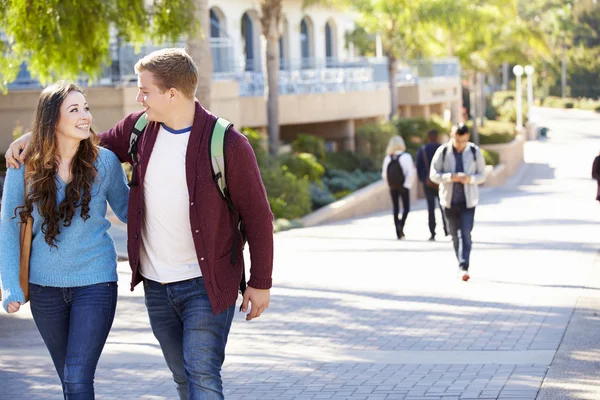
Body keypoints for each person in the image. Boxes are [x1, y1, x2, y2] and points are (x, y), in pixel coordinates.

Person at [5, 48, 274, 400]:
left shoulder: (227, 144)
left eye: (145, 90)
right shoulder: (139, 130)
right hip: (158, 285)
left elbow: (258, 216)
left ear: (172, 94)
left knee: (202, 372)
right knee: (183, 375)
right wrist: (33, 137)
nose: (138, 97)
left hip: (206, 282)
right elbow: (85, 138)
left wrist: (261, 282)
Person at [0, 81, 129, 399]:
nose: (85, 115)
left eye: (85, 107)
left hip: (96, 284)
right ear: (51, 119)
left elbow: (130, 212)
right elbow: (9, 225)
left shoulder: (105, 163)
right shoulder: (25, 165)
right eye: (74, 109)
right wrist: (11, 286)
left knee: (76, 377)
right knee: (69, 380)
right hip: (45, 291)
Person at [429, 124, 486, 281]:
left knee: (466, 233)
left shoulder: (474, 152)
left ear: (467, 138)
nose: (460, 144)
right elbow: (433, 174)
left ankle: (464, 266)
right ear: (451, 136)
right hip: (449, 200)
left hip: (468, 201)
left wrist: (470, 179)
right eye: (457, 140)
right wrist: (450, 177)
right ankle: (460, 263)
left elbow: (482, 175)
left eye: (463, 141)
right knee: (454, 234)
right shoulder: (443, 151)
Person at [416, 129, 448, 241]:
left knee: (430, 208)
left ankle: (432, 232)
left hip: (428, 182)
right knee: (443, 206)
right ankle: (447, 230)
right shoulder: (443, 149)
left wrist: (423, 180)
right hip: (441, 182)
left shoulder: (423, 149)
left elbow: (418, 166)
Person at [381, 136, 416, 239]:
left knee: (396, 208)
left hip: (392, 186)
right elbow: (410, 172)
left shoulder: (388, 158)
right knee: (406, 208)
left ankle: (398, 230)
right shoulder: (406, 156)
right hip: (404, 185)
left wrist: (390, 185)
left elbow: (384, 174)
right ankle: (401, 225)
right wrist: (407, 185)